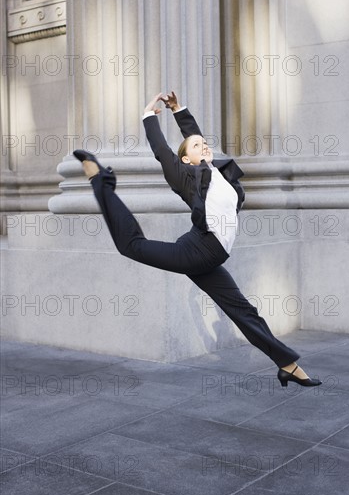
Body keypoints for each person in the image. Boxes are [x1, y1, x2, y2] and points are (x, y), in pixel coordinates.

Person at [73, 91, 322, 388]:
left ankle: (287, 365)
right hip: (198, 250)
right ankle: (102, 182)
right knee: (130, 245)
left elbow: (195, 135)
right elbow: (162, 150)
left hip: (209, 253)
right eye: (195, 146)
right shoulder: (185, 177)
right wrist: (148, 116)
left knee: (241, 309)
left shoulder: (217, 174)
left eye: (204, 144)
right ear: (185, 159)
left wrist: (179, 109)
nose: (202, 145)